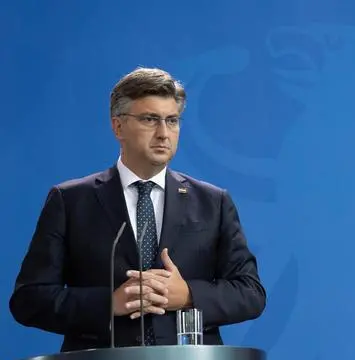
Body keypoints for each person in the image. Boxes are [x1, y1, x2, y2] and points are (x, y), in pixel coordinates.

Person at [9, 67, 267, 351]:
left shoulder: (213, 202)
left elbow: (250, 293)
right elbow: (29, 300)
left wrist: (189, 295)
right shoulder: (70, 200)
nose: (163, 133)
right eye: (149, 119)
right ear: (118, 126)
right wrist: (110, 304)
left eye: (172, 121)